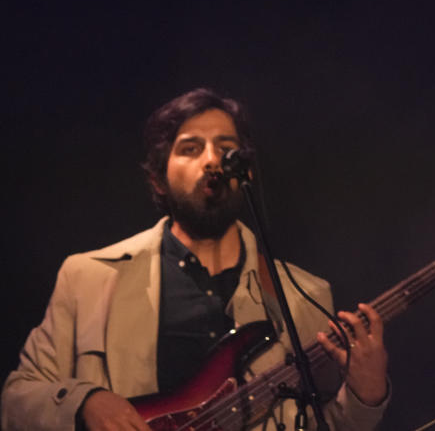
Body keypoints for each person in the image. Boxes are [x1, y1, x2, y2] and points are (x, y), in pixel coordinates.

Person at [2, 88, 389, 431]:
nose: (212, 160)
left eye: (226, 149)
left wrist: (366, 395)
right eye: (191, 148)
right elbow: (17, 401)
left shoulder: (303, 295)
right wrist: (85, 402)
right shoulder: (89, 277)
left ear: (246, 171)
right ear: (157, 178)